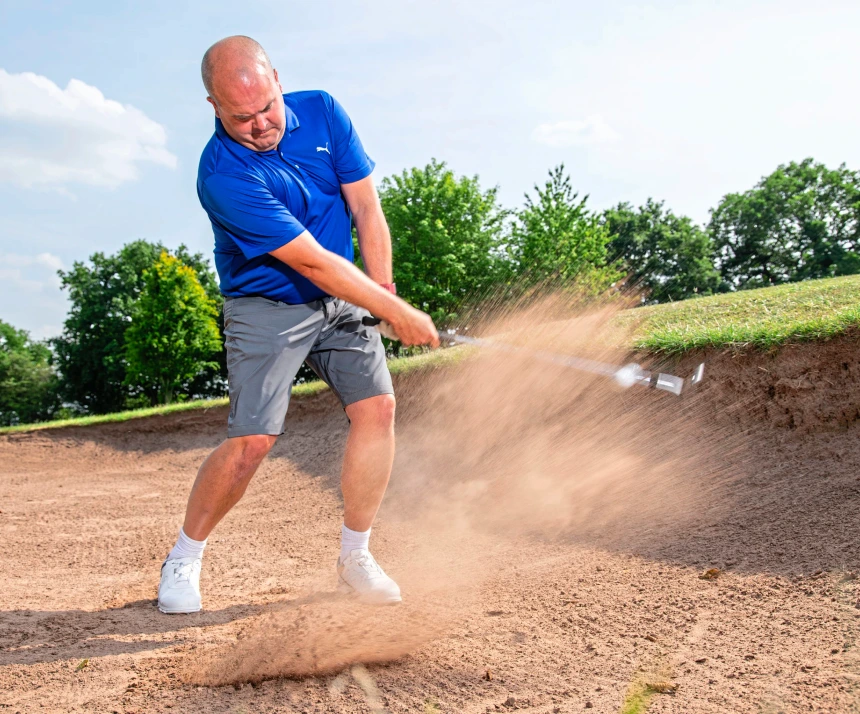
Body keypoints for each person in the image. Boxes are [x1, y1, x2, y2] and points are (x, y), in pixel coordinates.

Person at [157, 35, 439, 614]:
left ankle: (354, 555)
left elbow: (366, 206)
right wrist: (394, 312)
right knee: (253, 440)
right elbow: (310, 260)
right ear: (213, 108)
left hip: (345, 298)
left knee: (378, 409)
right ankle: (185, 556)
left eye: (266, 107)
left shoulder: (324, 111)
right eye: (242, 117)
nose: (261, 125)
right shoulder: (222, 176)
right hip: (268, 306)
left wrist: (381, 292)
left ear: (278, 80)